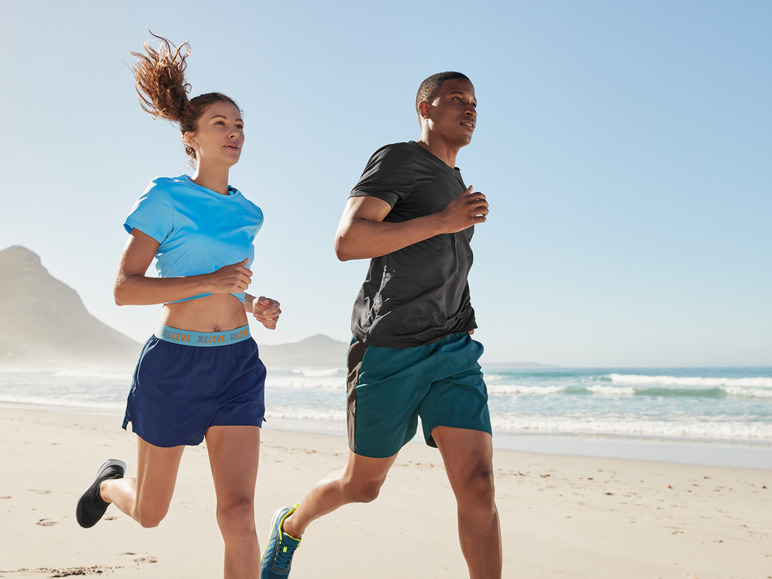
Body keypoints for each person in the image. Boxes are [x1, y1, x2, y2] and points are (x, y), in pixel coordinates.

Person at [260, 72, 502, 579]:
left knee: (478, 485)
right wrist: (443, 220)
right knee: (362, 485)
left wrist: (449, 220)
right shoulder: (400, 158)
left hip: (454, 346)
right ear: (424, 107)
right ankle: (292, 524)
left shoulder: (456, 182)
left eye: (475, 101)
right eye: (456, 98)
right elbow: (348, 241)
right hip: (389, 348)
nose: (470, 108)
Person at [75, 33, 281, 578]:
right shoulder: (164, 197)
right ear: (190, 137)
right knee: (149, 513)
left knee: (238, 514)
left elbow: (227, 285)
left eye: (239, 125)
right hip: (175, 364)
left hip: (237, 363)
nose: (234, 133)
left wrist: (253, 301)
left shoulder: (250, 212)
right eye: (221, 124)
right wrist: (210, 279)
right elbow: (125, 288)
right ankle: (106, 484)